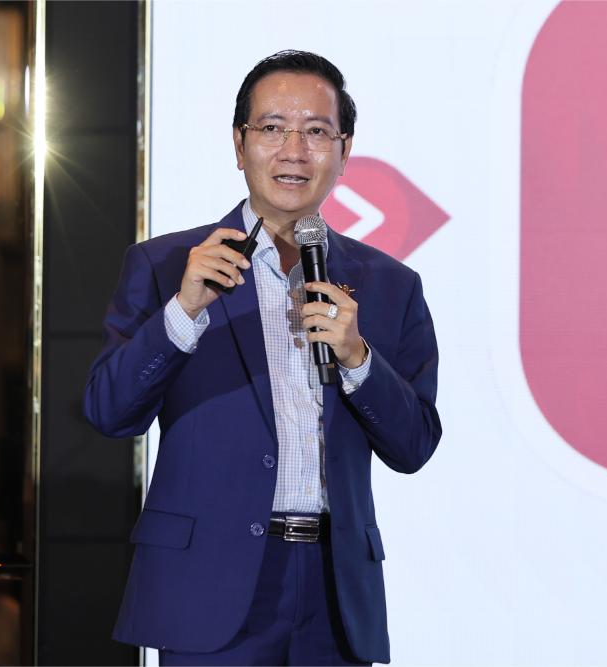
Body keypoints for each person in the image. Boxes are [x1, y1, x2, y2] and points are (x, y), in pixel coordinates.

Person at [84, 50, 441, 665]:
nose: (294, 151)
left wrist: (357, 358)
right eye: (273, 128)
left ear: (344, 151)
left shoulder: (390, 285)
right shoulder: (166, 266)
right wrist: (183, 311)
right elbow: (109, 413)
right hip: (209, 585)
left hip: (335, 591)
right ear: (239, 143)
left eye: (317, 132)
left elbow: (414, 446)